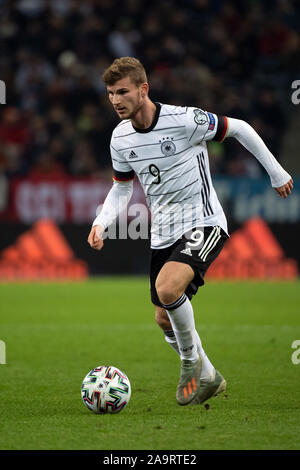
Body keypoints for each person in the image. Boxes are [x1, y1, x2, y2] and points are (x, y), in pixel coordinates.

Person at [88, 57, 293, 406]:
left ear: (143, 89)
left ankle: (189, 364)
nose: (115, 100)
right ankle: (209, 375)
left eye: (122, 92)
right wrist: (101, 222)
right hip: (163, 233)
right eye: (110, 93)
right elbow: (122, 187)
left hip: (204, 221)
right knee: (162, 318)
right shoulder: (120, 138)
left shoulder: (184, 120)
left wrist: (276, 174)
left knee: (167, 289)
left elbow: (240, 128)